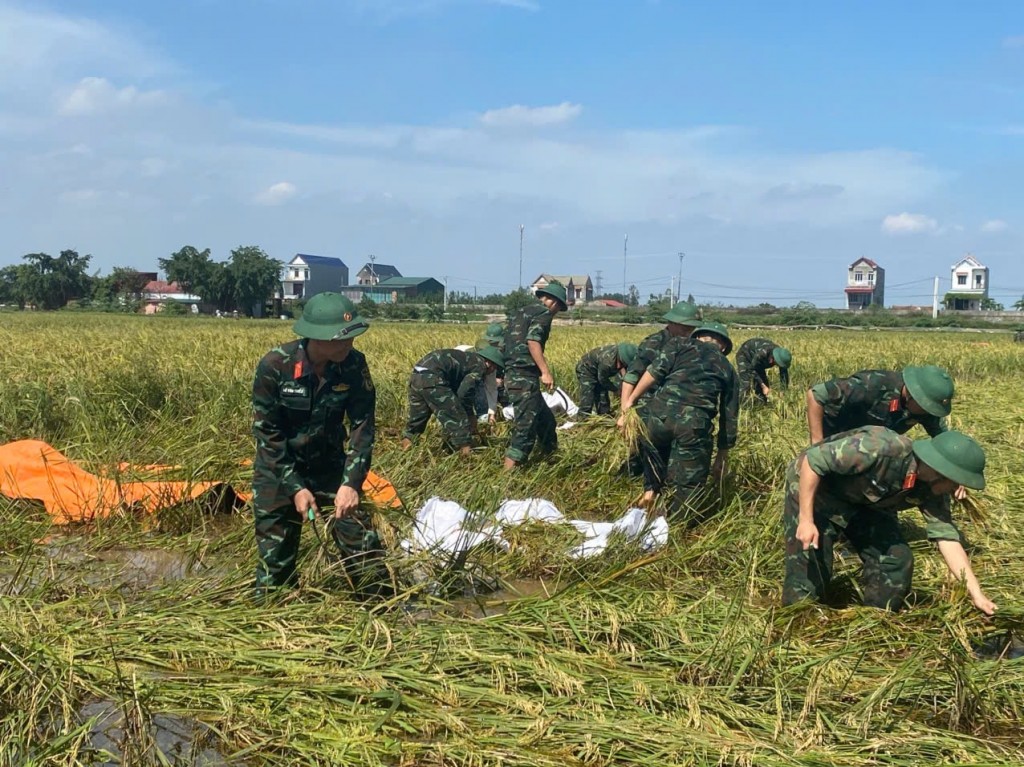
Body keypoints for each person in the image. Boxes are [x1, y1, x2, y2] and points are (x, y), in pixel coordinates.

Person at [251, 292, 387, 597]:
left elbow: (363, 426)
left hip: (330, 469)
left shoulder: (354, 365)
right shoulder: (276, 366)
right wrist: (295, 488)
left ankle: (381, 617)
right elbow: (267, 434)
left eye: (352, 338)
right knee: (276, 567)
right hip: (278, 472)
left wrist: (351, 483)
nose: (348, 345)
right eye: (341, 339)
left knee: (365, 552)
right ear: (318, 337)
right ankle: (275, 625)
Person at [782, 426, 996, 615]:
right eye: (956, 482)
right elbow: (813, 462)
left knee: (896, 560)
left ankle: (875, 620)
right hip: (818, 490)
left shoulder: (934, 491)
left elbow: (948, 540)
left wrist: (976, 594)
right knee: (809, 567)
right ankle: (799, 622)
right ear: (941, 472)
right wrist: (806, 520)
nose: (957, 490)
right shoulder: (882, 449)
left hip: (865, 502)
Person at [618, 321, 738, 520]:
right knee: (688, 482)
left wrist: (629, 403)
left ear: (698, 336)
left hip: (657, 416)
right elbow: (729, 415)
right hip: (693, 426)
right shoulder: (727, 367)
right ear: (723, 346)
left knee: (656, 456)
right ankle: (676, 525)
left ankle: (650, 493)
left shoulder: (678, 345)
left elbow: (652, 373)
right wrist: (722, 455)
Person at [503, 280, 568, 469]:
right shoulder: (544, 314)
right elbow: (533, 341)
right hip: (524, 376)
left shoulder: (522, 312)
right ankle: (505, 478)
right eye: (558, 308)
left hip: (512, 373)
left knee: (546, 421)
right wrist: (545, 372)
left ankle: (551, 460)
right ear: (554, 303)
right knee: (526, 428)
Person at [806, 365, 953, 444]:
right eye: (925, 407)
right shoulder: (870, 385)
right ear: (910, 395)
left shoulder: (925, 409)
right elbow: (816, 394)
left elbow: (943, 439)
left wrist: (954, 473)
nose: (928, 413)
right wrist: (817, 443)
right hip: (837, 430)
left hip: (870, 440)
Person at [400, 345, 504, 454]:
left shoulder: (466, 358)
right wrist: (469, 414)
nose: (493, 371)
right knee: (459, 421)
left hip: (416, 375)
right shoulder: (479, 365)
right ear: (489, 363)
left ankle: (406, 454)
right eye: (495, 367)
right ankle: (466, 460)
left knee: (416, 421)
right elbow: (465, 391)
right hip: (434, 378)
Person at [620, 300, 702, 412]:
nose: (688, 333)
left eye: (691, 329)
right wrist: (625, 411)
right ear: (672, 323)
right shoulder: (654, 343)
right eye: (685, 329)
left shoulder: (690, 344)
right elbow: (632, 376)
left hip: (677, 402)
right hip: (649, 402)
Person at [575, 342, 638, 417]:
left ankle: (604, 416)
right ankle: (582, 419)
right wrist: (616, 390)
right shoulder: (608, 362)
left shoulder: (620, 356)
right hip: (586, 370)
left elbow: (625, 373)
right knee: (588, 396)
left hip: (599, 371)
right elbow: (602, 380)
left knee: (603, 397)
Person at [735, 337, 791, 404]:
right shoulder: (762, 353)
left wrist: (783, 391)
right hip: (745, 356)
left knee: (764, 386)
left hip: (758, 364)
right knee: (745, 383)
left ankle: (761, 405)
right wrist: (763, 386)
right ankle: (739, 405)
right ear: (773, 357)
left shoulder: (782, 357)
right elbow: (751, 369)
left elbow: (784, 376)